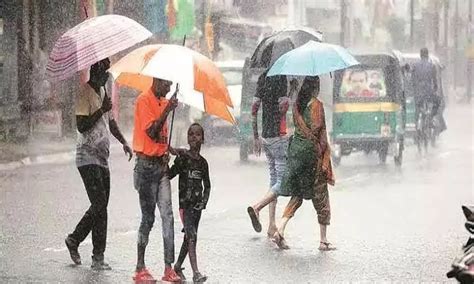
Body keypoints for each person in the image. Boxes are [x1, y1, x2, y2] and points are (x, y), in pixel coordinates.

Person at [65, 58, 133, 270]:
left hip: (102, 157)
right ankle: (74, 239)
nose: (107, 76)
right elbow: (82, 126)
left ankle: (98, 257)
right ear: (96, 71)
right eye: (105, 72)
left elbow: (111, 123)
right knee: (99, 204)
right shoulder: (84, 93)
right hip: (87, 157)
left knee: (102, 207)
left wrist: (123, 142)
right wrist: (101, 110)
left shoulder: (104, 93)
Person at [273, 76, 336, 251]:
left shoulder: (296, 105)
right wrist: (324, 153)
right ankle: (323, 241)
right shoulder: (316, 105)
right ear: (316, 87)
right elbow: (318, 130)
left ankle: (280, 230)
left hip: (296, 152)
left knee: (298, 194)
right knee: (321, 194)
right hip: (310, 154)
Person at [132, 78, 181, 282]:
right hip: (145, 168)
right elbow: (151, 133)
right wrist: (168, 109)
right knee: (148, 218)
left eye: (171, 85)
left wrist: (170, 150)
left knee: (168, 215)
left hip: (161, 167)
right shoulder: (144, 100)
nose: (169, 88)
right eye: (166, 84)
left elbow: (160, 139)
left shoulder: (162, 101)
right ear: (156, 80)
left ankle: (168, 267)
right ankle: (139, 267)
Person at [246, 71, 290, 238]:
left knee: (273, 181)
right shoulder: (281, 77)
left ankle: (271, 224)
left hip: (265, 137)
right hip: (278, 137)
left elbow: (254, 109)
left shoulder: (262, 77)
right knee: (282, 181)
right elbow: (283, 109)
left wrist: (256, 137)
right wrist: (290, 93)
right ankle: (257, 207)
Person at [169, 123, 210, 283]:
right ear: (187, 138)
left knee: (190, 238)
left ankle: (178, 266)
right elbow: (170, 174)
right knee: (191, 236)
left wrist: (204, 202)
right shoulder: (183, 159)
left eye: (198, 134)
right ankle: (196, 273)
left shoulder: (203, 163)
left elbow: (207, 186)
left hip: (197, 206)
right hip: (185, 206)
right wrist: (166, 162)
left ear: (203, 139)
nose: (194, 137)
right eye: (191, 134)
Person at [411, 48, 438, 126]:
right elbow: (434, 79)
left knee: (417, 108)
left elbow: (412, 79)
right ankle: (431, 119)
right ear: (427, 55)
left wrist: (414, 88)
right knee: (436, 103)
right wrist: (435, 88)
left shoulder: (415, 66)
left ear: (420, 55)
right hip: (428, 91)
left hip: (418, 92)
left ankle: (416, 123)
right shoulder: (431, 65)